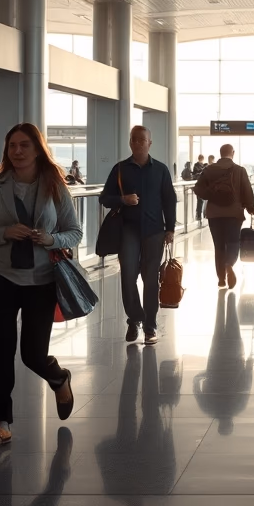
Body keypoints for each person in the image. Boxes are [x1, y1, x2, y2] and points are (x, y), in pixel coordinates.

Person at [0, 123, 82, 454]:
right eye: (12, 146)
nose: (17, 151)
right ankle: (0, 425)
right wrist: (5, 232)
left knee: (32, 354)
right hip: (1, 277)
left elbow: (74, 231)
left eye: (24, 145)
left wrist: (50, 239)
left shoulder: (54, 185)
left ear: (37, 149)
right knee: (2, 352)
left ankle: (58, 378)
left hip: (41, 279)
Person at [101, 126, 177, 345]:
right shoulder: (120, 169)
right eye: (133, 139)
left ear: (149, 143)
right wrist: (122, 200)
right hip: (128, 230)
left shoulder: (160, 170)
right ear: (130, 142)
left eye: (141, 140)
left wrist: (170, 228)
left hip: (155, 231)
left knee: (151, 279)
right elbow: (105, 198)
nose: (137, 143)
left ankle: (150, 326)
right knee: (128, 275)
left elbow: (169, 199)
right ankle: (134, 318)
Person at [195, 143, 254, 287]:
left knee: (219, 245)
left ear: (220, 153)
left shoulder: (209, 170)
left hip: (214, 214)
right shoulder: (239, 170)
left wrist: (210, 195)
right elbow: (247, 190)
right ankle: (229, 264)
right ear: (232, 153)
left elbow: (198, 189)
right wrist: (250, 207)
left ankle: (221, 279)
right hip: (234, 213)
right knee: (233, 242)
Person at [192, 154, 208, 219]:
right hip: (201, 186)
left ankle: (200, 215)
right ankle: (200, 215)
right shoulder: (200, 166)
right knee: (200, 200)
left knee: (201, 201)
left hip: (200, 186)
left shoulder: (202, 166)